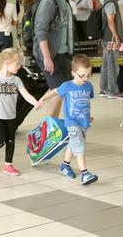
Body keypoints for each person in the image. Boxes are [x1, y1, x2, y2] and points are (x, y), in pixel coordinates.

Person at [0, 48, 41, 176]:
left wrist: (35, 103)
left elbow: (26, 95)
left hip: (11, 116)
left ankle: (8, 165)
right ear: (7, 62)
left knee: (11, 140)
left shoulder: (16, 80)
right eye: (17, 63)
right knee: (0, 140)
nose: (19, 66)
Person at [38, 54, 99, 185]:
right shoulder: (67, 86)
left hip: (84, 122)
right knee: (80, 147)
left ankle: (65, 165)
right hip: (72, 123)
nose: (86, 78)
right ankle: (85, 173)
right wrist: (43, 99)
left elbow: (85, 103)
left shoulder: (88, 86)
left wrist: (88, 116)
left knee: (73, 144)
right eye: (82, 75)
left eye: (89, 75)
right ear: (73, 73)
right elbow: (54, 91)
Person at [33, 0, 76, 118]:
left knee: (62, 91)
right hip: (49, 54)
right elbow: (40, 31)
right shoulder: (49, 2)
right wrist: (46, 57)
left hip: (63, 54)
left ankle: (53, 124)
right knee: (58, 90)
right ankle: (49, 128)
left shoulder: (66, 4)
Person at [100, 0, 123, 99]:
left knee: (106, 65)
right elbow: (111, 22)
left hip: (106, 38)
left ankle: (104, 89)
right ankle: (112, 91)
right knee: (112, 66)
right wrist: (116, 38)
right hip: (111, 39)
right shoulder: (111, 3)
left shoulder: (108, 2)